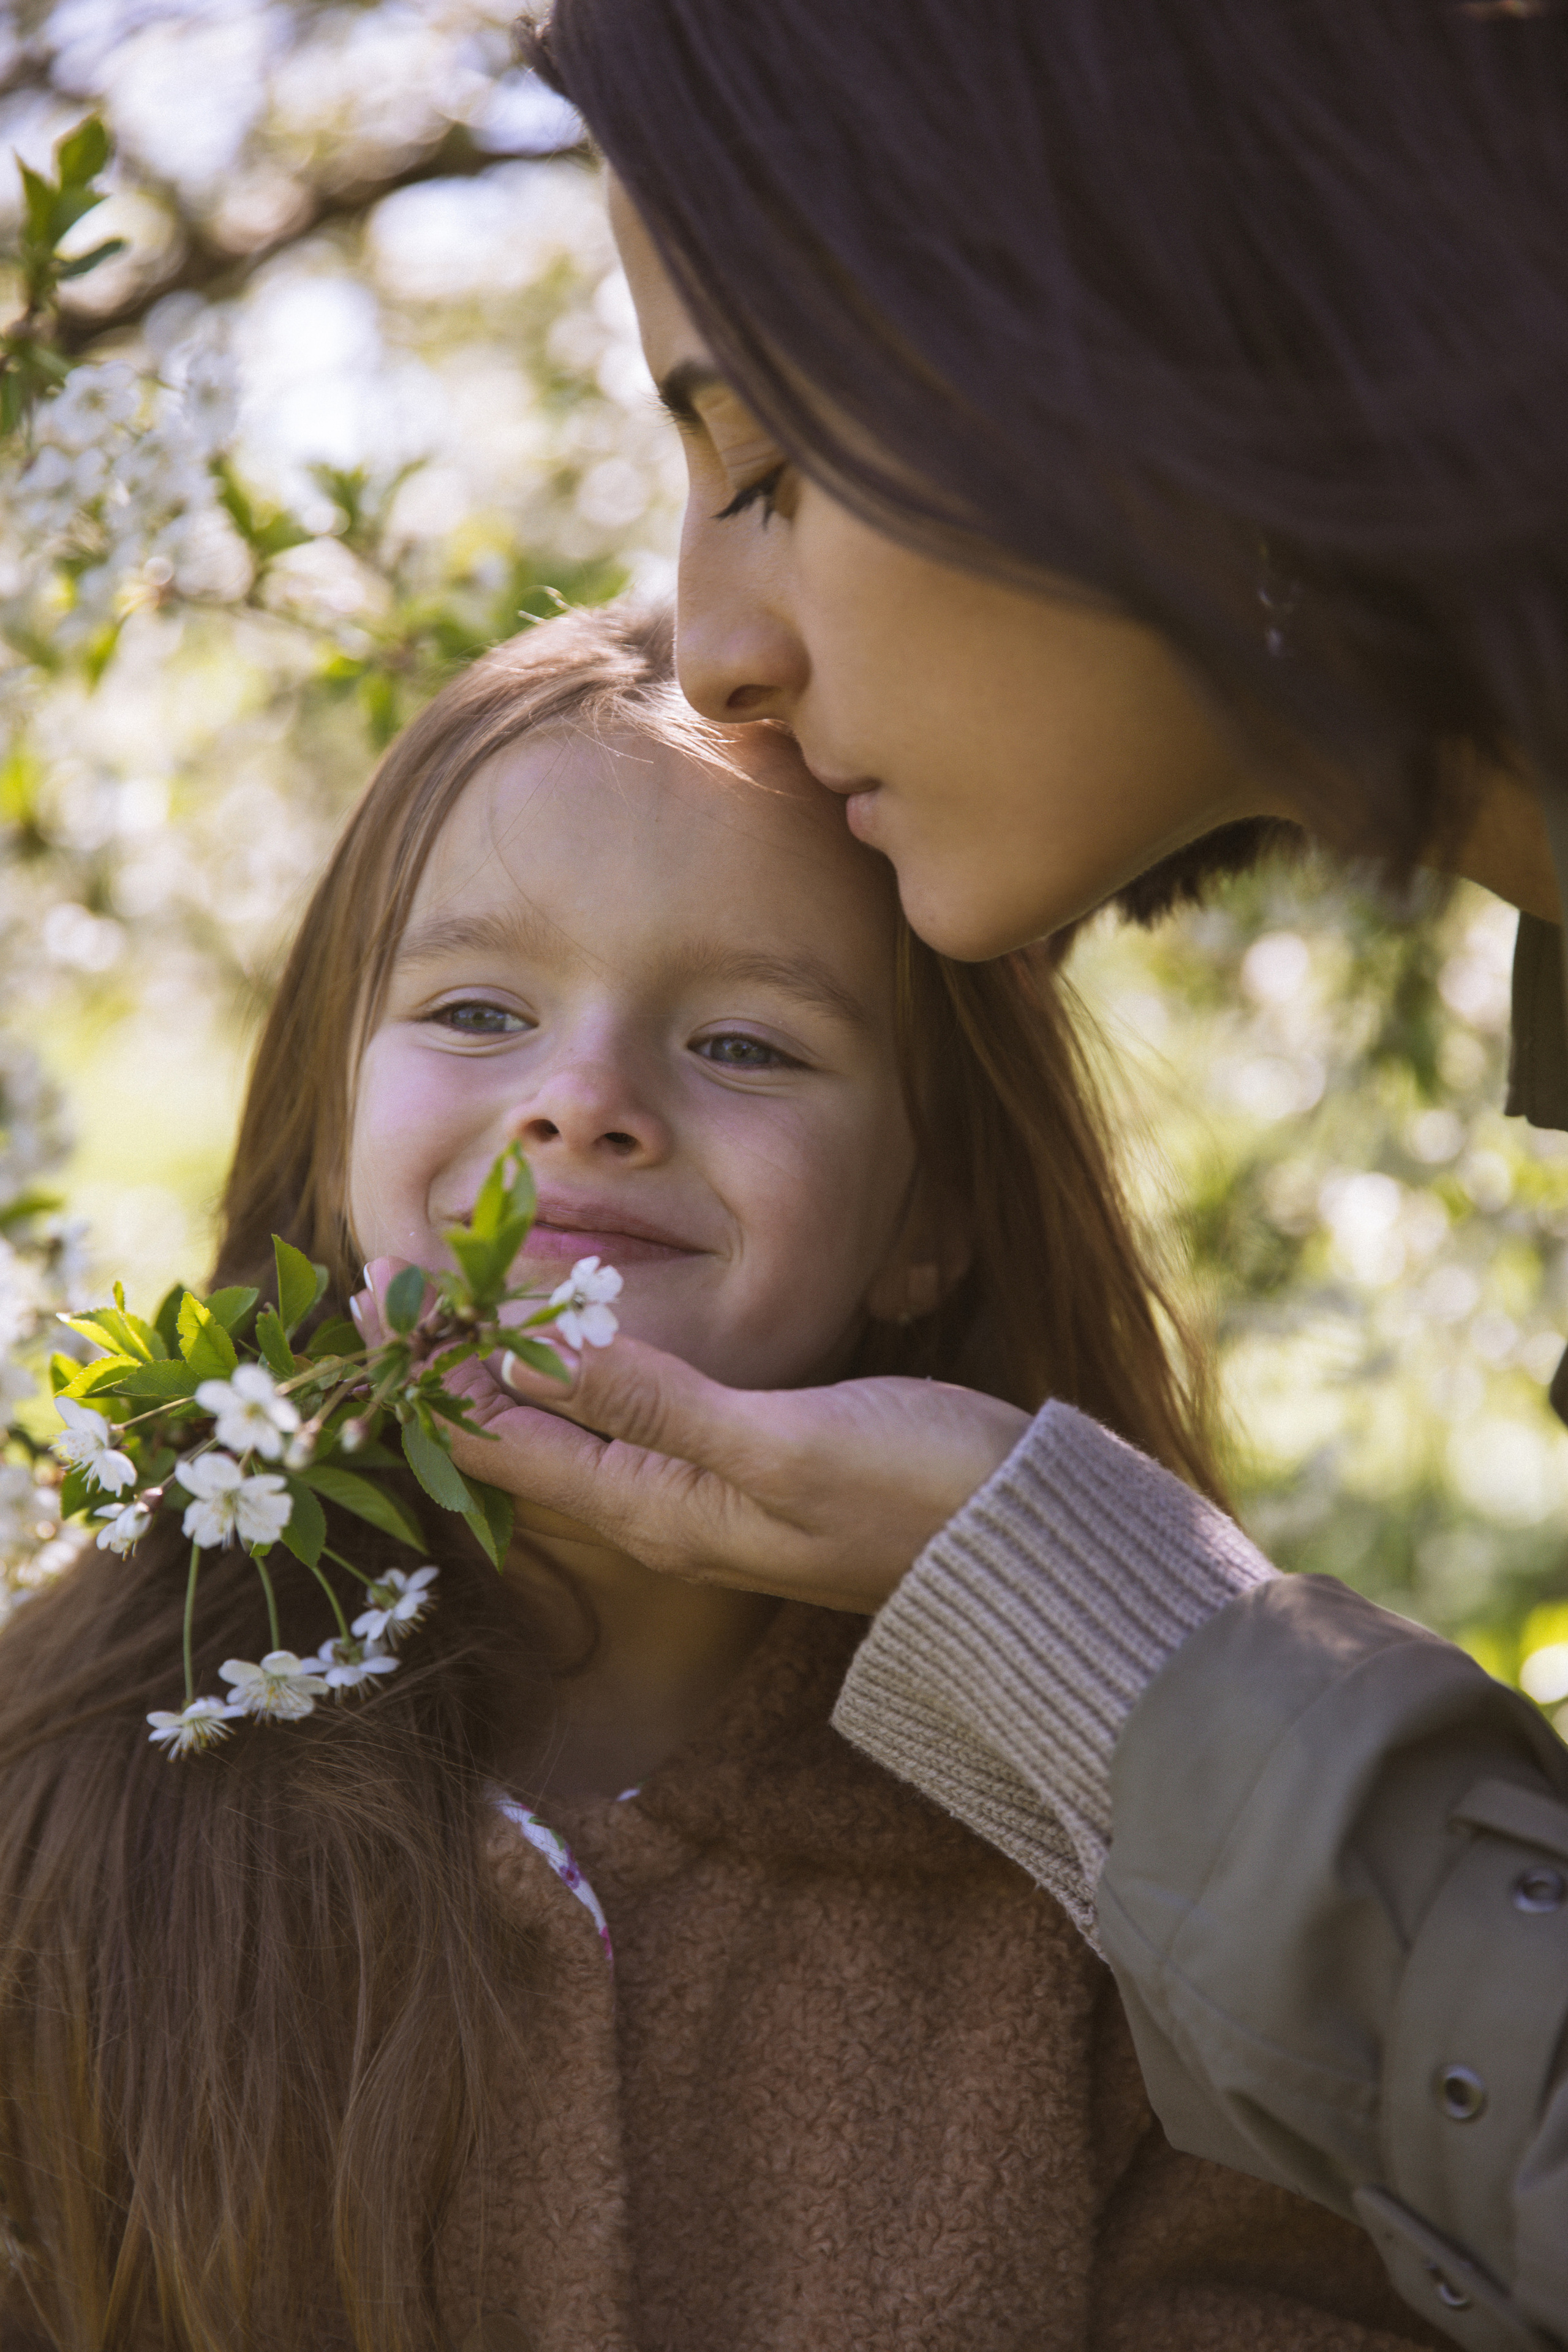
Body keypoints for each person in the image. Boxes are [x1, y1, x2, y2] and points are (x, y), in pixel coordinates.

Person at [352, 9, 1568, 2350]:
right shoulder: (87, 1809)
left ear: (1148, 295)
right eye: (474, 1009)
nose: (713, 640)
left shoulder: (1075, 2014)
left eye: (769, 458)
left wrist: (1118, 1643)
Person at [0, 601, 1440, 2351]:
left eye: (746, 1042)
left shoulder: (1132, 1867)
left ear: (930, 1217)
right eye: (475, 1008)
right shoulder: (61, 1793)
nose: (584, 1102)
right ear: (322, 1139)